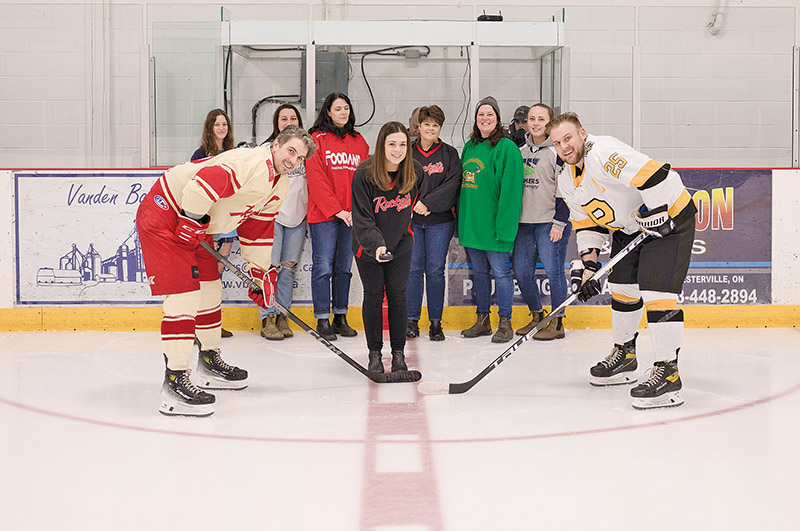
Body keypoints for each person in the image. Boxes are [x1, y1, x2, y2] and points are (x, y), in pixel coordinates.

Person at [136, 126, 315, 417]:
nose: (293, 161)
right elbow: (200, 186)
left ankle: (208, 361)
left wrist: (259, 275)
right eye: (291, 151)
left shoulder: (279, 184)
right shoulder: (251, 162)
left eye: (300, 158)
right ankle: (174, 379)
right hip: (167, 214)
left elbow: (257, 231)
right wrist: (191, 220)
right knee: (184, 297)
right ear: (277, 144)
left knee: (210, 289)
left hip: (196, 220)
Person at [548, 112, 696, 410]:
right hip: (631, 228)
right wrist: (589, 266)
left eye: (568, 138)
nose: (564, 146)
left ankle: (668, 372)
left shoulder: (603, 153)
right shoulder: (566, 179)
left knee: (657, 293)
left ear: (582, 134)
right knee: (621, 287)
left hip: (670, 217)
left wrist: (658, 212)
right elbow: (586, 224)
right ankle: (625, 356)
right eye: (557, 142)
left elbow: (658, 175)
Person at [351, 121, 422, 373]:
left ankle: (399, 354)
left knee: (397, 294)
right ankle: (374, 354)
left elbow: (413, 203)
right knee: (373, 296)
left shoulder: (414, 171)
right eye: (392, 144)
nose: (397, 149)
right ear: (382, 145)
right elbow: (362, 218)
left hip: (401, 242)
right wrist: (378, 246)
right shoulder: (364, 174)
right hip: (368, 247)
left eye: (402, 144)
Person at [458, 96, 523, 343]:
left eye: (490, 114)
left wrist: (504, 228)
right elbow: (465, 188)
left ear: (497, 119)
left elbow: (511, 193)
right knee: (480, 274)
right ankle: (483, 320)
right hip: (473, 226)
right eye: (480, 114)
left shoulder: (507, 148)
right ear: (476, 120)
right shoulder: (470, 147)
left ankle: (505, 322)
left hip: (495, 227)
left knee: (502, 274)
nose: (485, 118)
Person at [306, 93, 369, 340]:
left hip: (351, 216)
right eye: (338, 108)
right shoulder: (316, 139)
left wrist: (356, 210)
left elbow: (365, 178)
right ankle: (322, 319)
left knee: (344, 268)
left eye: (346, 108)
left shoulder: (359, 140)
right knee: (323, 267)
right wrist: (337, 210)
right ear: (328, 112)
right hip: (324, 215)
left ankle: (340, 316)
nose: (343, 112)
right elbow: (317, 179)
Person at [512, 103, 571, 340]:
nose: (535, 123)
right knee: (522, 272)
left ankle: (557, 323)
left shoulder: (558, 153)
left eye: (541, 119)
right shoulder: (519, 151)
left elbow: (567, 190)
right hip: (524, 224)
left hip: (550, 223)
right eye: (532, 119)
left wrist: (559, 222)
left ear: (550, 123)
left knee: (554, 273)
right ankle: (538, 316)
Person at [405, 105, 461, 341]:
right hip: (412, 221)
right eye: (426, 124)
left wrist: (427, 203)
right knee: (413, 270)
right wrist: (414, 203)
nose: (430, 128)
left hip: (440, 222)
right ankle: (411, 320)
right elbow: (399, 181)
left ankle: (436, 323)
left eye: (435, 125)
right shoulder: (408, 151)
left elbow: (453, 184)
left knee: (436, 271)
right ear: (419, 126)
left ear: (440, 128)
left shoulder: (449, 153)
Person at [258, 104, 310, 341]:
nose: (288, 121)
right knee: (270, 269)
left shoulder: (306, 153)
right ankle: (266, 316)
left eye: (293, 118)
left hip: (297, 218)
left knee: (288, 269)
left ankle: (282, 314)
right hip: (273, 217)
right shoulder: (267, 150)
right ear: (276, 124)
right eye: (283, 118)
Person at [190, 109, 236, 338]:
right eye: (216, 124)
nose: (221, 128)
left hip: (226, 221)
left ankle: (213, 323)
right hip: (206, 221)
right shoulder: (200, 154)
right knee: (206, 275)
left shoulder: (233, 154)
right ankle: (201, 323)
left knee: (219, 271)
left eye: (224, 124)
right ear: (210, 128)